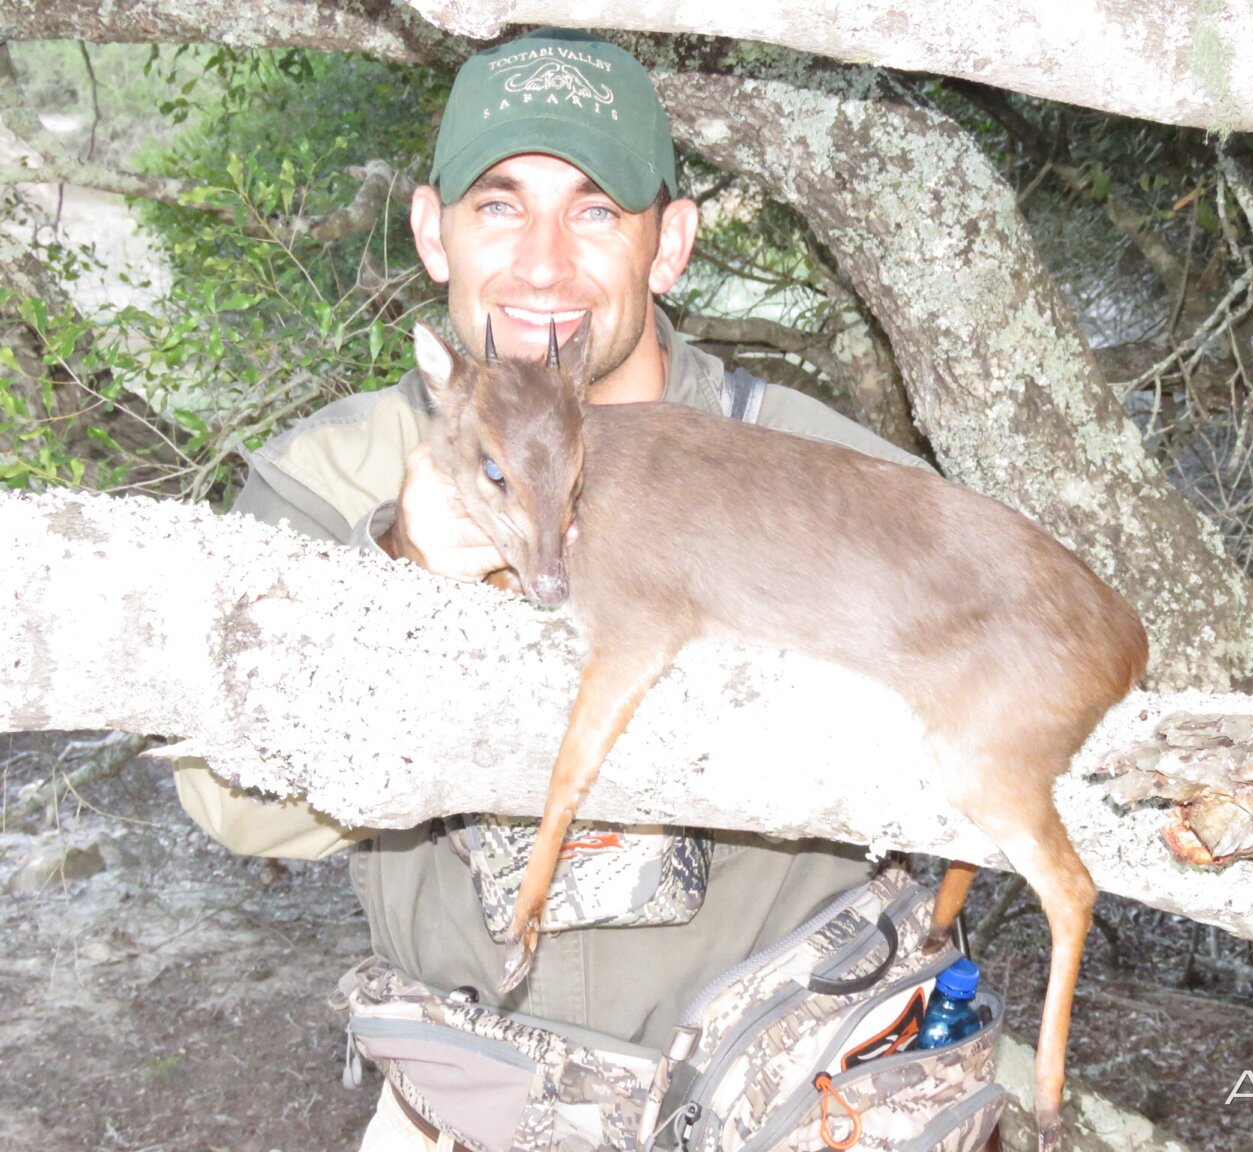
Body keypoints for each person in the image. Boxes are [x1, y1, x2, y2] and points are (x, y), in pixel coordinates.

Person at [172, 26, 930, 1150]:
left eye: (593, 212)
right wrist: (405, 574)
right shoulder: (329, 476)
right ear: (432, 233)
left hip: (789, 1102)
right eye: (498, 206)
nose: (541, 264)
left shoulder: (819, 469)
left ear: (668, 246)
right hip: (464, 1110)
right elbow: (230, 804)